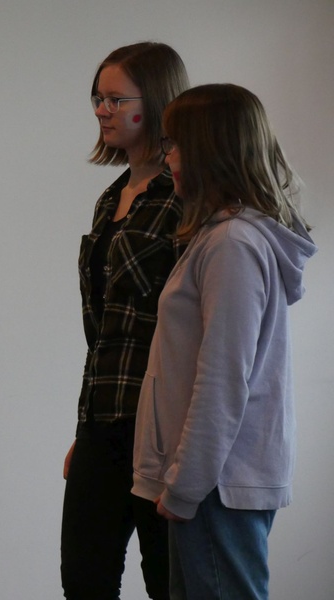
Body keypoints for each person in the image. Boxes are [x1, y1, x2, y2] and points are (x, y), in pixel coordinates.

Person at [132, 83, 317, 600]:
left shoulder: (233, 243)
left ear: (209, 149)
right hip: (212, 481)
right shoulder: (222, 237)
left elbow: (222, 379)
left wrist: (186, 485)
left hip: (217, 485)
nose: (167, 156)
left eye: (175, 143)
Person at [60, 42, 189, 600]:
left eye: (116, 99)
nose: (102, 110)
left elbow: (194, 325)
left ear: (156, 102)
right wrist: (84, 430)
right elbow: (102, 330)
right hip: (103, 419)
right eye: (98, 98)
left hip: (161, 427)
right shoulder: (110, 198)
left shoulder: (185, 198)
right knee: (84, 581)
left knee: (167, 581)